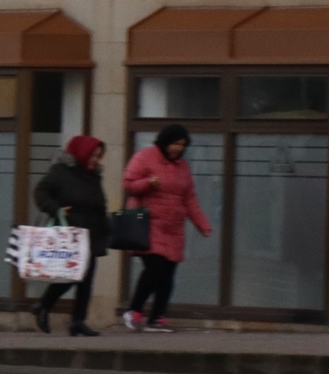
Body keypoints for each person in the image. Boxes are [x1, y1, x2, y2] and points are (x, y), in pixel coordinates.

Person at [121, 124, 212, 332]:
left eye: (182, 145)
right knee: (156, 272)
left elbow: (190, 199)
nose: (178, 149)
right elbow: (129, 184)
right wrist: (148, 183)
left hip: (173, 229)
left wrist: (203, 224)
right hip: (148, 225)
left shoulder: (183, 167)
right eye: (175, 143)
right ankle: (134, 311)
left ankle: (157, 317)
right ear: (164, 141)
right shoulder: (144, 158)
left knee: (168, 277)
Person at [30, 134, 107, 337]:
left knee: (86, 279)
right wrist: (57, 210)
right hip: (69, 233)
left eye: (99, 156)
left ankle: (77, 321)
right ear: (82, 153)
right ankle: (46, 306)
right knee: (73, 276)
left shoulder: (94, 176)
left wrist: (106, 229)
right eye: (93, 156)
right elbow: (40, 192)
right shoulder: (61, 172)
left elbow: (98, 204)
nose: (96, 160)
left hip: (90, 232)